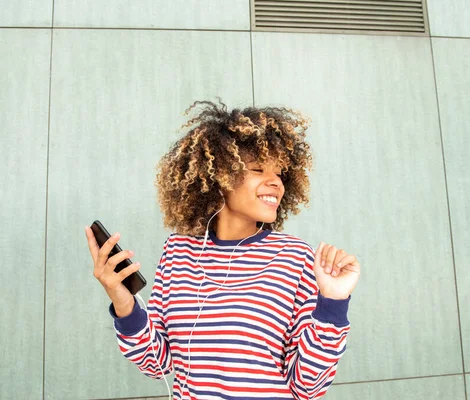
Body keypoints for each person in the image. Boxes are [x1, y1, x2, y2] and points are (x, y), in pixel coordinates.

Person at [85, 99, 361, 399]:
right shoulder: (178, 252)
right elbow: (158, 363)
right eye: (258, 169)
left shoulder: (295, 257)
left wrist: (333, 303)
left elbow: (306, 387)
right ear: (221, 175)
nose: (276, 183)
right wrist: (123, 301)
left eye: (280, 173)